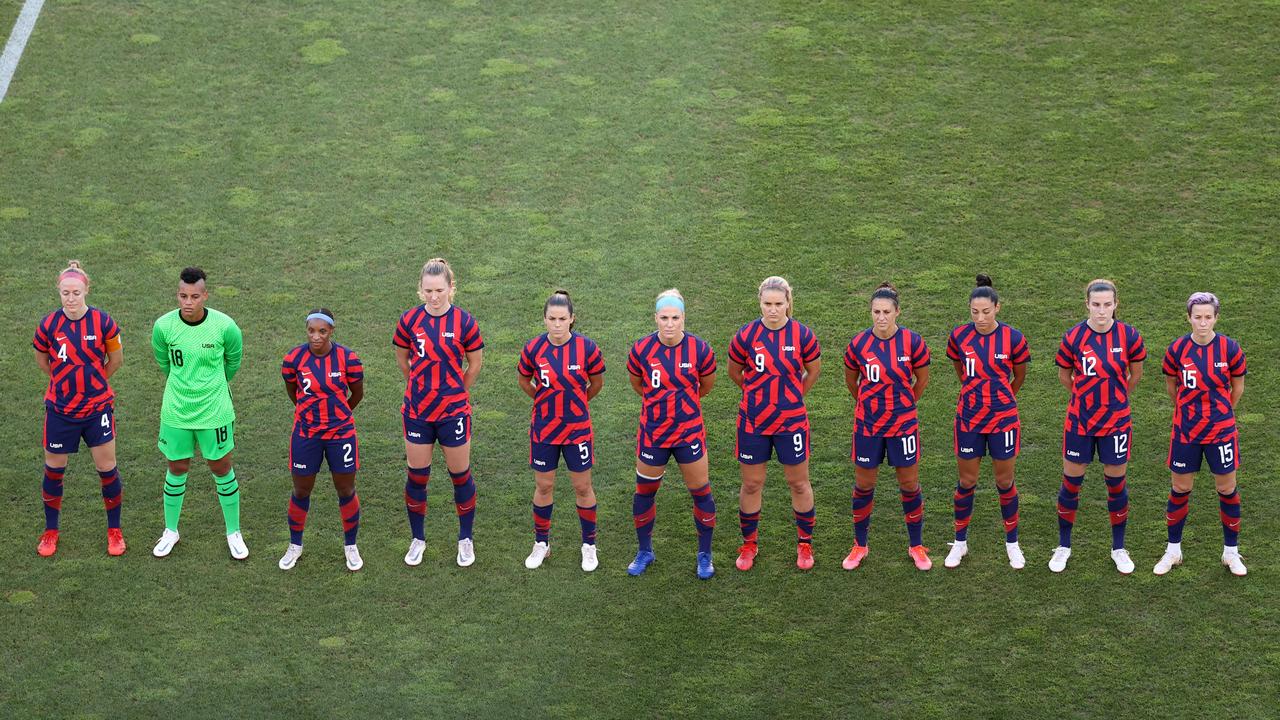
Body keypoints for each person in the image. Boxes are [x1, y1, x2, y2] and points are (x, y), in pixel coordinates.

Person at [1050, 279, 1146, 574]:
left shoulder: (1130, 336)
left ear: (1116, 304)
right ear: (1087, 305)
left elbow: (1135, 375)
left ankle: (1118, 548)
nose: (1101, 311)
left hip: (1116, 423)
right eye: (1096, 305)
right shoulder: (1074, 337)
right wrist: (1085, 399)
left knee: (1115, 485)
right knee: (1071, 484)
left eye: (1107, 305)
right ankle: (1063, 546)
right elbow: (1065, 376)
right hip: (1080, 422)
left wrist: (1115, 400)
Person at [150, 267, 247, 559]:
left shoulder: (225, 326)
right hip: (177, 412)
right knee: (177, 468)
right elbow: (163, 363)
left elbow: (233, 362)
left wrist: (212, 386)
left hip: (215, 411)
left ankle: (234, 532)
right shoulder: (164, 326)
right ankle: (171, 531)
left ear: (205, 295)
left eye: (194, 296)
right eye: (183, 296)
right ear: (177, 295)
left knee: (221, 468)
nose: (188, 302)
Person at [394, 258, 484, 568]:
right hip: (418, 412)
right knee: (417, 477)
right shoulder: (408, 321)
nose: (434, 296)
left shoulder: (465, 322)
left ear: (451, 289)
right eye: (429, 290)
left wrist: (456, 390)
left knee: (460, 476)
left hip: (453, 412)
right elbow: (403, 359)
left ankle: (465, 539)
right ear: (420, 290)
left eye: (440, 290)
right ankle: (418, 538)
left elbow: (474, 364)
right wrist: (421, 387)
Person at [32, 260, 126, 557]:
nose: (70, 299)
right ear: (58, 293)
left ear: (86, 290)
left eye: (75, 292)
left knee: (107, 470)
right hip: (60, 411)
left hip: (97, 410)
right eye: (64, 293)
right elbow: (42, 361)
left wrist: (93, 383)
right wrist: (65, 384)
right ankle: (50, 532)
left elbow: (116, 360)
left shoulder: (103, 322)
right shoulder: (48, 325)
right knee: (53, 471)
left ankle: (114, 531)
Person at [729, 276, 822, 571]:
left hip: (791, 423)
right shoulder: (745, 336)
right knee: (752, 483)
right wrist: (757, 397)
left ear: (788, 303)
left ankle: (805, 544)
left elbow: (813, 370)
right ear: (760, 303)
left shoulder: (803, 335)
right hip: (753, 422)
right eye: (767, 304)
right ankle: (749, 544)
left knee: (798, 482)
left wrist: (792, 397)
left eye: (778, 304)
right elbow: (735, 372)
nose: (773, 310)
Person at [625, 289, 719, 579]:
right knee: (644, 493)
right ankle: (645, 551)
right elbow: (638, 384)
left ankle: (704, 555)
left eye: (674, 317)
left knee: (701, 493)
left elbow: (705, 386)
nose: (669, 323)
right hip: (653, 434)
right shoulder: (640, 349)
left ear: (683, 318)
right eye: (664, 317)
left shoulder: (700, 350)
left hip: (688, 433)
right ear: (655, 317)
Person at [841, 282, 933, 571]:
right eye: (876, 312)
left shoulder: (913, 342)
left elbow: (922, 380)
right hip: (868, 426)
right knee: (864, 485)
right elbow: (851, 381)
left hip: (903, 426)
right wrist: (870, 406)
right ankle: (859, 546)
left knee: (909, 485)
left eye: (886, 312)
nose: (881, 317)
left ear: (897, 312)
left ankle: (916, 546)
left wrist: (902, 405)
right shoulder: (858, 344)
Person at [1154, 292, 1248, 576]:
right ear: (1189, 318)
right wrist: (1189, 412)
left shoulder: (1230, 349)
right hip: (1186, 432)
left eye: (1208, 317)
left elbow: (1238, 388)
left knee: (1226, 489)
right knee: (1180, 489)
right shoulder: (1177, 350)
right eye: (1198, 317)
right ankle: (1173, 551)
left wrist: (1220, 414)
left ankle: (1231, 554)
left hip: (1221, 432)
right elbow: (1172, 388)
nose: (1203, 323)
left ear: (1216, 317)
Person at [941, 275, 1030, 570]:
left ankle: (1012, 544)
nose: (980, 317)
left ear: (997, 308)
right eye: (974, 312)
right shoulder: (959, 336)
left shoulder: (1014, 338)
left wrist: (1000, 398)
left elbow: (1019, 376)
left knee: (1004, 482)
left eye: (986, 311)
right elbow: (960, 369)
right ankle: (960, 543)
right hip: (969, 419)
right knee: (967, 481)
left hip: (1003, 419)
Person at [518, 291, 605, 572]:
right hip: (544, 429)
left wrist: (575, 404)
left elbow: (596, 383)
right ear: (544, 319)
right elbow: (524, 380)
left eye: (562, 319)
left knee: (582, 487)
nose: (557, 324)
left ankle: (589, 545)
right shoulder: (533, 349)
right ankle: (541, 543)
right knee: (544, 486)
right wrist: (545, 402)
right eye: (552, 319)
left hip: (577, 429)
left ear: (572, 319)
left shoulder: (587, 348)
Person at [277, 309, 366, 572]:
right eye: (311, 331)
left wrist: (338, 416)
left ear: (331, 331)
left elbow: (357, 395)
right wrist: (310, 416)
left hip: (341, 435)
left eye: (322, 331)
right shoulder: (293, 359)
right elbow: (293, 392)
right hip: (306, 435)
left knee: (346, 490)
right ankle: (295, 545)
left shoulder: (349, 359)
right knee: (301, 490)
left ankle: (350, 546)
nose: (316, 337)